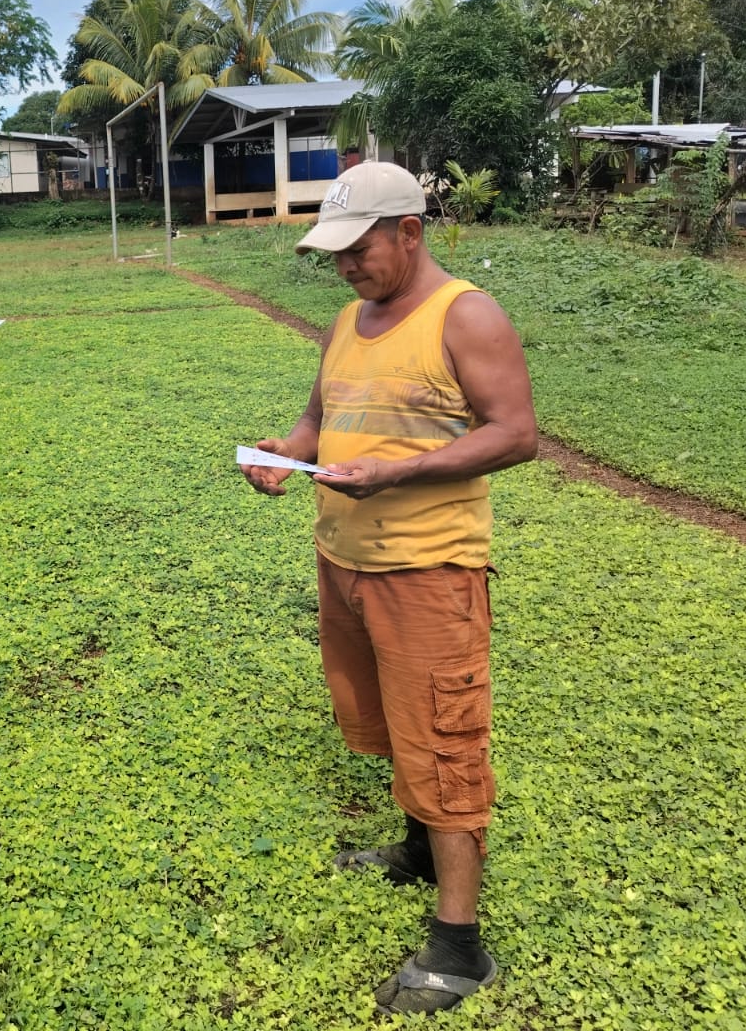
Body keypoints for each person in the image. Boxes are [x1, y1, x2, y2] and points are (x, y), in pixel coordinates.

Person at [240, 161, 537, 1016]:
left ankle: (459, 948)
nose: (344, 267)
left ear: (410, 232)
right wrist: (288, 451)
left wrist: (397, 473)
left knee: (444, 739)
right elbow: (318, 417)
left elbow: (516, 434)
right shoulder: (348, 320)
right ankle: (415, 849)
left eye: (358, 250)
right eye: (333, 254)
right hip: (344, 562)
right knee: (392, 721)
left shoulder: (466, 315)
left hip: (428, 571)